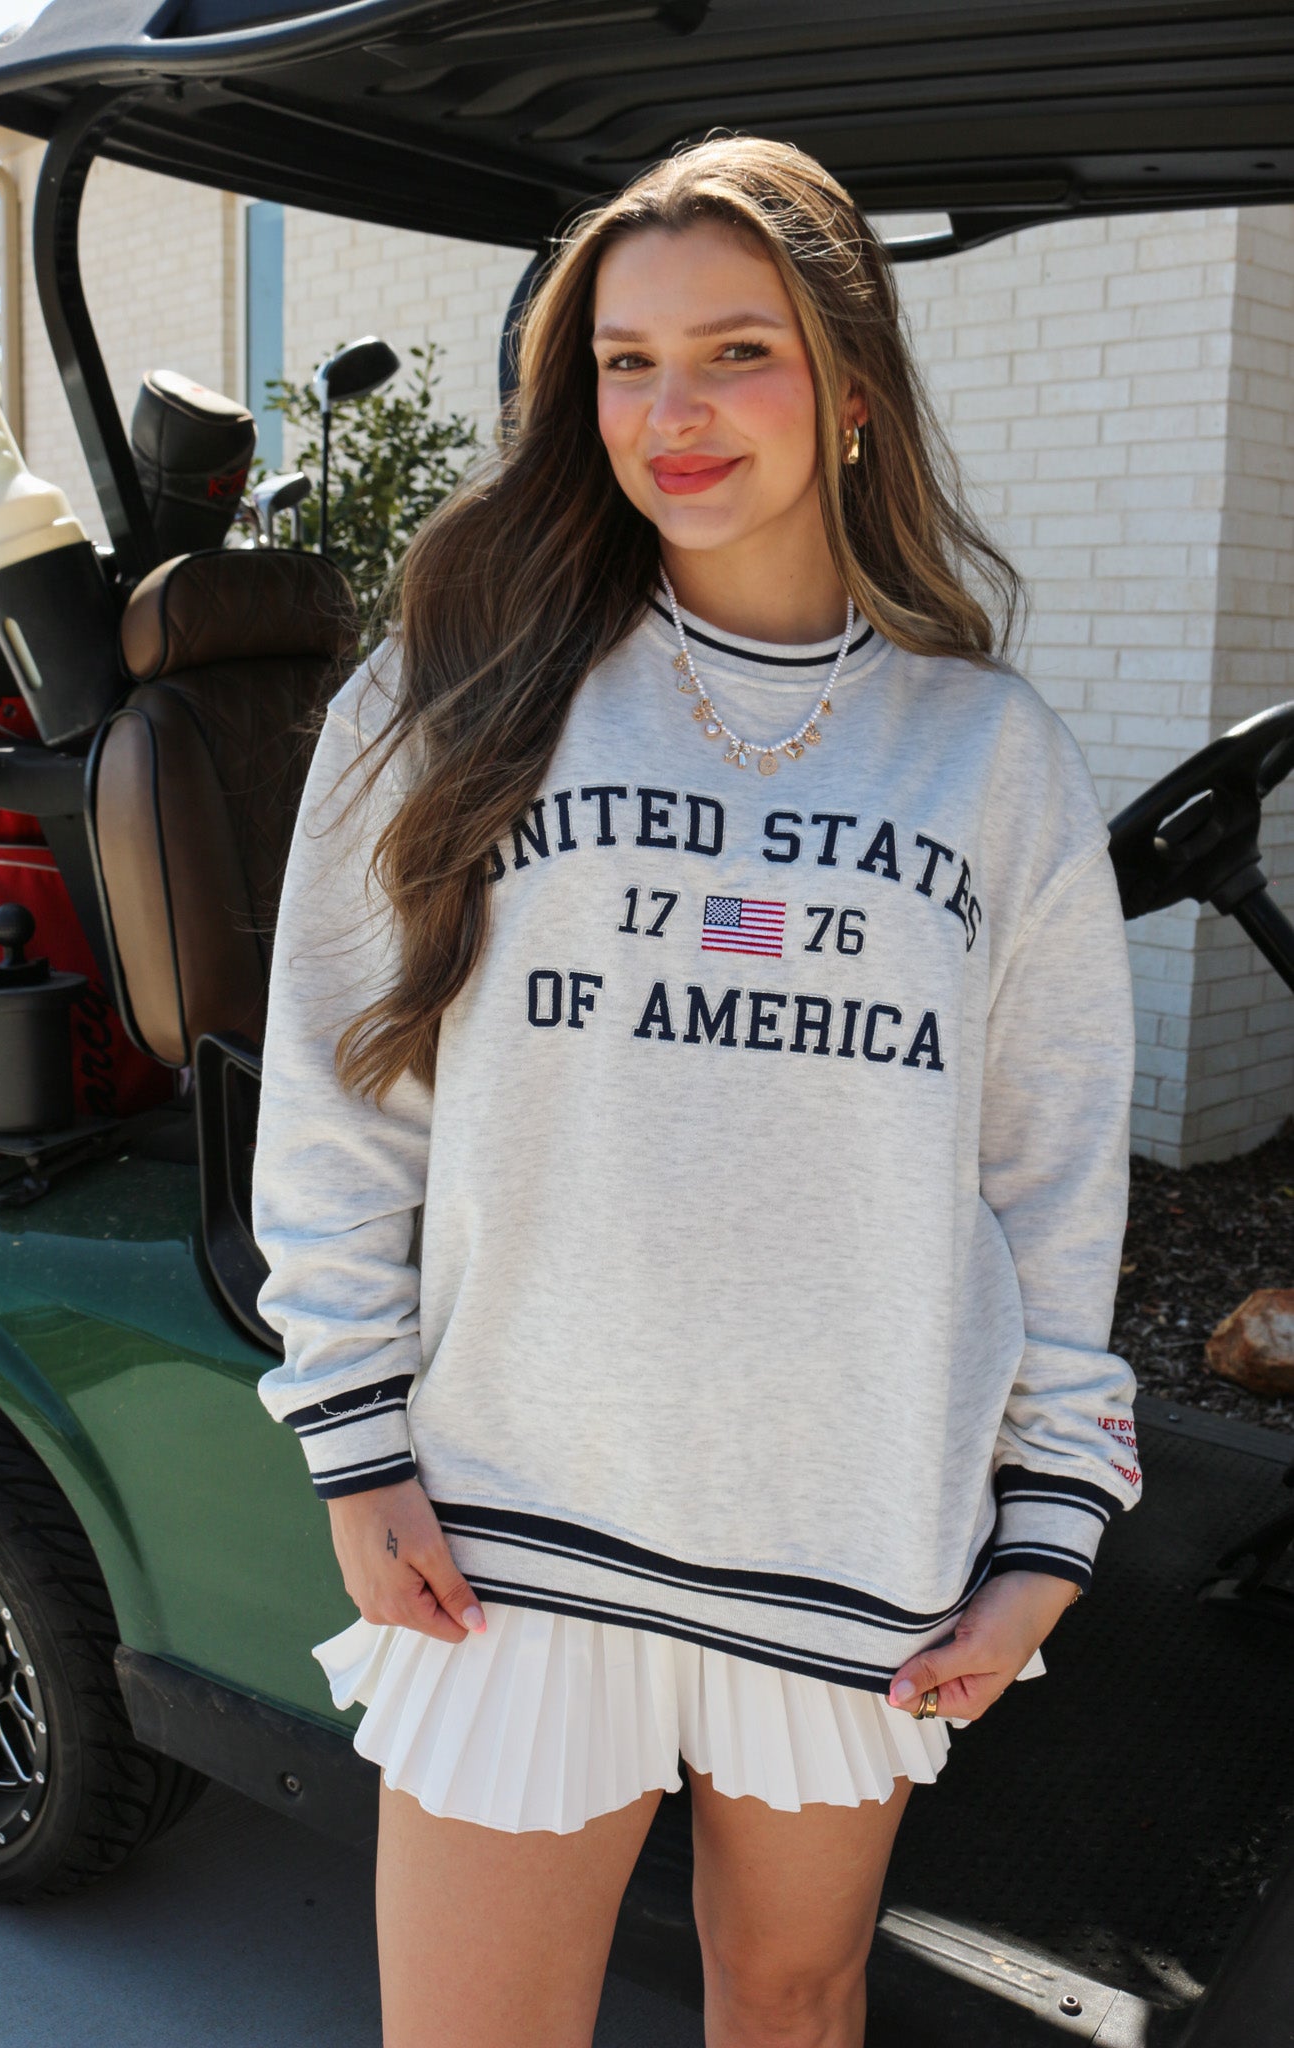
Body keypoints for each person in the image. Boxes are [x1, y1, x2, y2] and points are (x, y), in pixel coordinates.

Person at [251, 132, 1142, 2048]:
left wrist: (1054, 1514)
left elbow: (1050, 1173)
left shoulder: (989, 753)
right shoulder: (454, 689)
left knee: (793, 2008)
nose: (672, 413)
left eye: (735, 351)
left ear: (849, 386)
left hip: (850, 1531)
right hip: (511, 1526)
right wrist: (353, 1433)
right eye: (624, 362)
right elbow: (341, 1093)